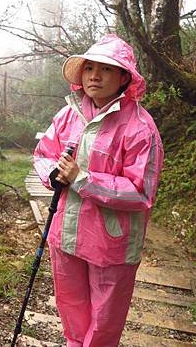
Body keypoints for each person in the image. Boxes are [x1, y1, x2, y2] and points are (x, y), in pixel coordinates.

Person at [33, 34, 164, 347]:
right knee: (71, 308)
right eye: (89, 67)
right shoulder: (68, 115)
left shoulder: (140, 128)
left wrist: (82, 179)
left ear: (123, 77)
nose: (94, 75)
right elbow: (44, 153)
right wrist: (55, 173)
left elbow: (140, 191)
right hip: (65, 232)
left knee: (105, 320)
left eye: (106, 69)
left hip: (111, 243)